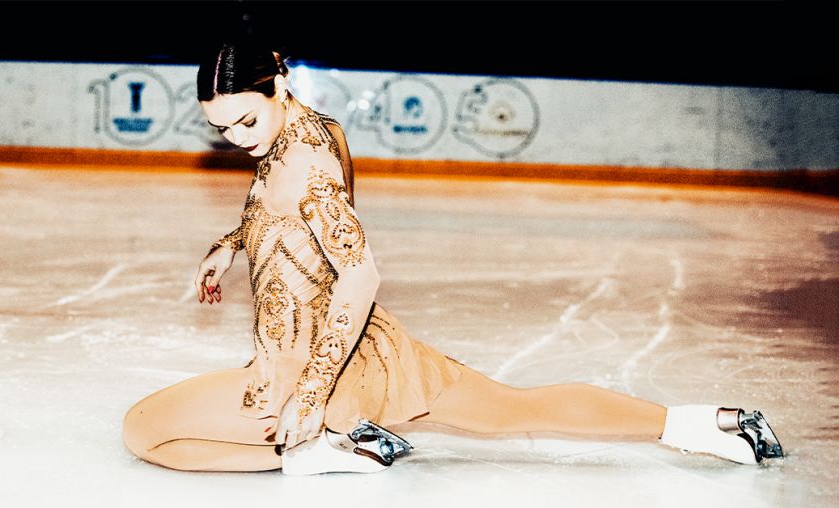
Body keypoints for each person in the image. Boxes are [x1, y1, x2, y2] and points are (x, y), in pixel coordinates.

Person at [121, 42, 784, 474]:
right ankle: (707, 425)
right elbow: (281, 213)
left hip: (307, 365)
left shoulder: (304, 164)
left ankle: (320, 447)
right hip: (379, 353)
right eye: (222, 129)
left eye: (244, 122)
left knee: (144, 432)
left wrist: (312, 396)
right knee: (517, 409)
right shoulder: (317, 130)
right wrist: (229, 246)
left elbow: (359, 271)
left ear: (276, 85)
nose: (237, 140)